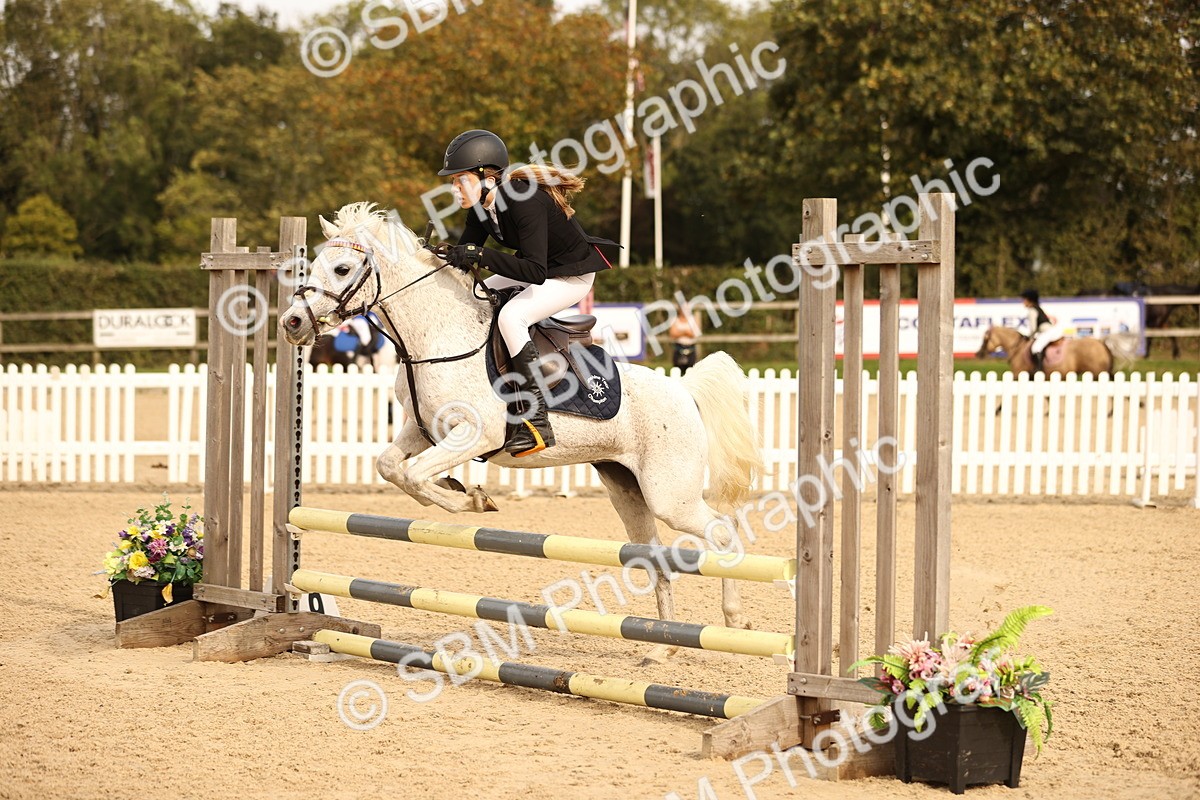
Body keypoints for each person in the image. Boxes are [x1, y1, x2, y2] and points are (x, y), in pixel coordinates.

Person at [437, 129, 615, 457]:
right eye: (453, 181)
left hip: (571, 275)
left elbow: (535, 272)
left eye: (460, 180)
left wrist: (480, 255)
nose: (454, 188)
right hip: (540, 269)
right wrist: (436, 256)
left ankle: (536, 420)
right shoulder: (480, 207)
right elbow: (465, 257)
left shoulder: (524, 200)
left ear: (487, 178)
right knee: (473, 296)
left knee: (512, 317)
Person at [1020, 289, 1062, 373]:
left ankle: (1039, 369)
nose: (1023, 302)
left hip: (1047, 332)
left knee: (1035, 348)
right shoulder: (1038, 308)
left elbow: (1033, 328)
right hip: (1049, 330)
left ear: (1029, 300)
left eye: (1024, 300)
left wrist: (1029, 337)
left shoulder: (1032, 310)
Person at [668, 301, 701, 374]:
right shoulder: (675, 319)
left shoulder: (693, 319)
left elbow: (694, 334)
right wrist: (686, 332)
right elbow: (673, 334)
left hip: (691, 349)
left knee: (691, 372)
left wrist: (680, 332)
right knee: (677, 371)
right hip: (678, 348)